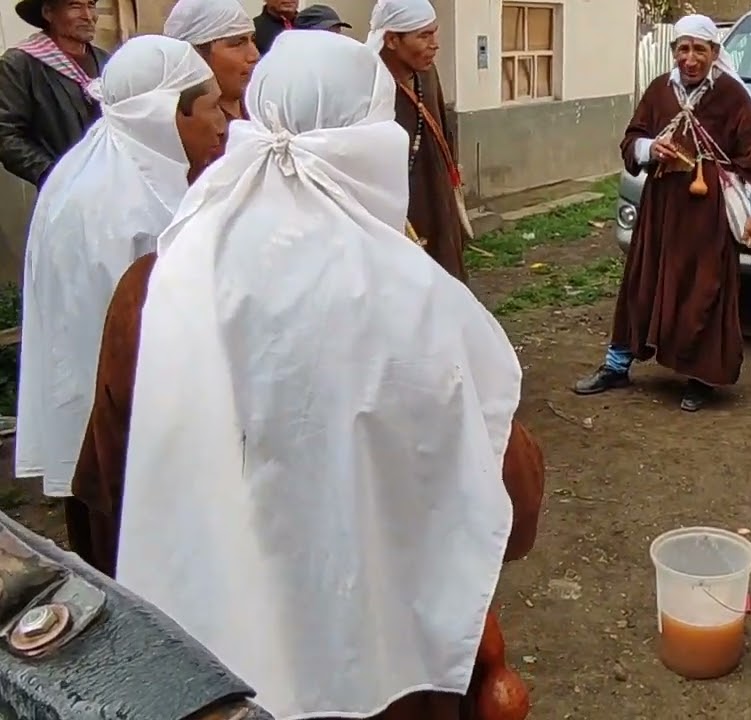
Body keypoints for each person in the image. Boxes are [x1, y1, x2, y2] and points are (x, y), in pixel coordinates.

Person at [112, 31, 543, 720]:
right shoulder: (410, 297)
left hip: (208, 656)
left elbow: (116, 475)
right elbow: (509, 500)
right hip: (385, 666)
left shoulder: (163, 277)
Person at [14, 35, 223, 510]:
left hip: (106, 435)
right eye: (210, 107)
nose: (221, 122)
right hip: (125, 449)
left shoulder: (93, 171)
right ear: (168, 114)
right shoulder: (125, 206)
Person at [572, 13, 751, 412]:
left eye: (700, 49)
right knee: (641, 283)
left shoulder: (732, 95)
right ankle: (617, 364)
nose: (691, 58)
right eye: (683, 49)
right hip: (661, 206)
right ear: (673, 52)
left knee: (704, 289)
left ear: (715, 53)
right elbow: (631, 141)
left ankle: (701, 377)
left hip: (707, 211)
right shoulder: (659, 91)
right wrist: (650, 149)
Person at [367, 0, 471, 283]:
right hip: (401, 211)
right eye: (423, 36)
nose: (435, 44)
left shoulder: (427, 74)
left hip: (439, 197)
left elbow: (445, 132)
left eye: (434, 33)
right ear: (391, 40)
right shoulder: (370, 87)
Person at [0, 0, 111, 187]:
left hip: (112, 185)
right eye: (75, 6)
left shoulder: (107, 61)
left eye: (91, 5)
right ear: (48, 13)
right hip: (62, 192)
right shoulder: (20, 65)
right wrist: (55, 176)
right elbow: (6, 135)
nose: (88, 15)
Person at [164, 0, 260, 122]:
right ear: (197, 54)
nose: (254, 55)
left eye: (253, 40)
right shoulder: (191, 131)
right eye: (238, 43)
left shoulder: (264, 112)